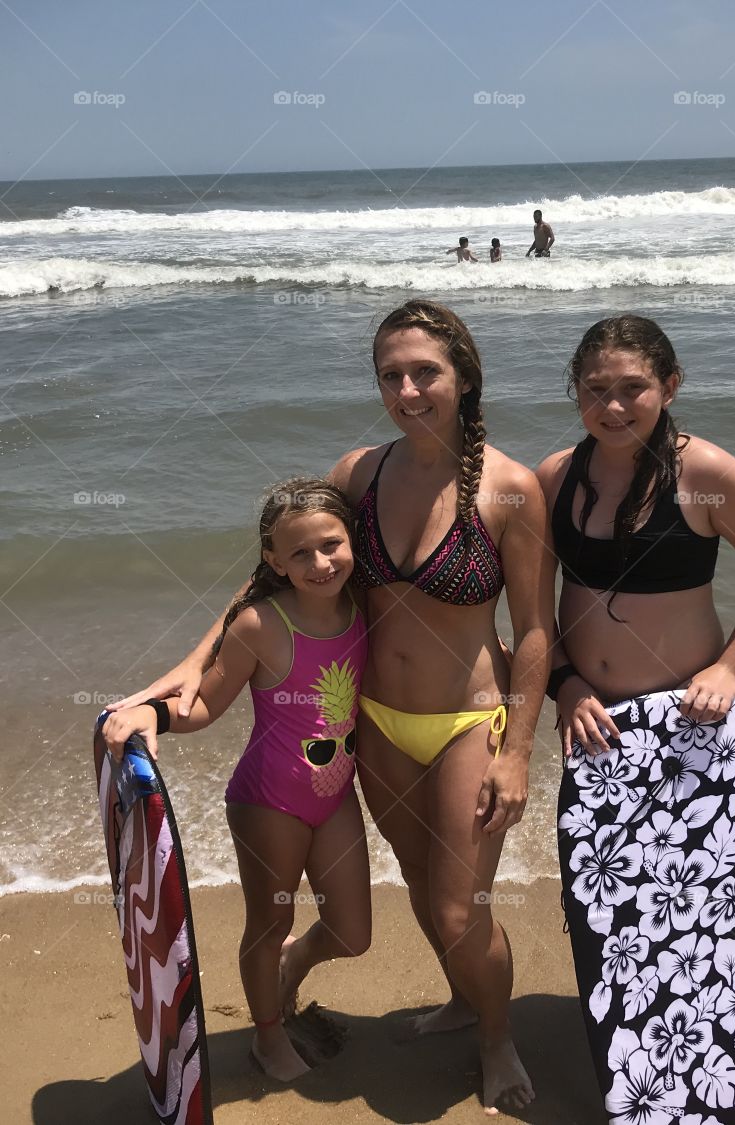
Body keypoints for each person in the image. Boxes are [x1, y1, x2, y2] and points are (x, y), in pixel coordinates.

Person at [110, 301, 553, 1114]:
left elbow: (533, 631)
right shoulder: (361, 472)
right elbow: (269, 580)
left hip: (467, 722)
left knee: (462, 903)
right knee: (421, 882)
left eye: (426, 372)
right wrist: (182, 669)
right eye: (391, 374)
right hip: (377, 724)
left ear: (464, 376)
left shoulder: (511, 489)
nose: (408, 389)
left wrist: (518, 745)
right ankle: (462, 998)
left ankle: (498, 1038)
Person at [536, 315, 735, 1122]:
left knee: (707, 901)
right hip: (600, 728)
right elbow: (531, 609)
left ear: (670, 386)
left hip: (697, 730)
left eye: (633, 389)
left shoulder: (708, 472)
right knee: (610, 901)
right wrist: (562, 684)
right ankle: (638, 1072)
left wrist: (729, 667)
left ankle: (729, 1065)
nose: (614, 406)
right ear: (576, 393)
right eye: (596, 390)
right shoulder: (556, 477)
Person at [102, 479, 372, 1083]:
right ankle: (267, 1037)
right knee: (269, 920)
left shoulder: (365, 606)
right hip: (267, 800)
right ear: (273, 560)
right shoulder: (260, 624)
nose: (320, 562)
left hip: (336, 796)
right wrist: (155, 714)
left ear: (352, 541)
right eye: (299, 553)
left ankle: (292, 964)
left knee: (353, 934)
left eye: (332, 544)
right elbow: (206, 705)